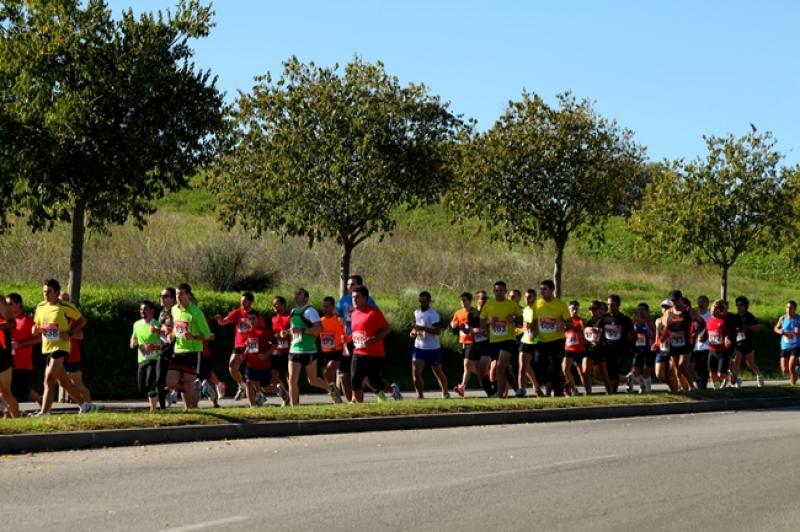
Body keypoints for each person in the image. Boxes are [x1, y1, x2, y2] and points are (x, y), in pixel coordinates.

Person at [32, 279, 94, 415]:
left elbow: (82, 320)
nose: (46, 294)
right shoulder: (40, 307)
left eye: (49, 292)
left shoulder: (66, 307)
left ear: (56, 292)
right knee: (64, 382)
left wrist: (70, 333)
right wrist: (35, 329)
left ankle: (44, 412)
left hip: (61, 347)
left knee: (48, 378)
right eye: (44, 292)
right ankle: (84, 406)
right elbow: (37, 325)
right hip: (47, 347)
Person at [287, 288, 341, 406]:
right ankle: (294, 408)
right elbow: (294, 329)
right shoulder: (292, 311)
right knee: (292, 380)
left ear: (306, 298)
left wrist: (302, 330)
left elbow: (319, 328)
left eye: (299, 294)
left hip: (309, 350)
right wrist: (285, 332)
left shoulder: (310, 311)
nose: (296, 296)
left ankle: (331, 388)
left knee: (313, 380)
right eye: (295, 294)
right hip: (294, 349)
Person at [349, 286, 401, 403]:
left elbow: (387, 329)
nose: (354, 300)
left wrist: (376, 338)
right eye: (353, 297)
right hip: (358, 351)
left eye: (357, 297)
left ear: (365, 298)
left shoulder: (373, 312)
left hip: (374, 353)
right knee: (355, 379)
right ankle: (359, 406)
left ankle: (393, 389)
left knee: (375, 382)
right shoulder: (353, 313)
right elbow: (356, 331)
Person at [213, 292, 265, 401]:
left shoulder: (256, 315)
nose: (242, 303)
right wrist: (219, 319)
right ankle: (242, 385)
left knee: (253, 373)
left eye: (245, 301)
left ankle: (259, 394)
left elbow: (262, 330)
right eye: (241, 301)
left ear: (251, 302)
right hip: (239, 345)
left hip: (252, 345)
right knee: (232, 367)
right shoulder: (237, 312)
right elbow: (223, 322)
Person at [168, 283, 211, 409]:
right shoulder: (174, 309)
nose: (178, 297)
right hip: (178, 350)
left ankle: (190, 409)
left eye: (181, 294)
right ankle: (197, 388)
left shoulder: (196, 312)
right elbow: (177, 328)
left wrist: (193, 337)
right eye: (176, 294)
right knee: (170, 382)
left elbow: (207, 334)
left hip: (193, 351)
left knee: (187, 384)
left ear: (188, 295)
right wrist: (172, 335)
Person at [335, 275, 378, 401]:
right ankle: (352, 402)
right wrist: (340, 319)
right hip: (348, 339)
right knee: (343, 375)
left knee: (362, 376)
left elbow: (375, 316)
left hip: (362, 340)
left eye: (352, 284)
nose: (349, 287)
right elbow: (338, 314)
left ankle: (382, 390)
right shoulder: (343, 300)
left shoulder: (367, 300)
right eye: (348, 284)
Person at [479, 281, 522, 398]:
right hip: (494, 341)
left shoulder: (512, 305)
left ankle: (499, 395)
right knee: (505, 369)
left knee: (500, 368)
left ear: (505, 291)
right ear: (494, 291)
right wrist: (489, 322)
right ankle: (518, 390)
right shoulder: (489, 304)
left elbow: (521, 320)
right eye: (497, 290)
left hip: (508, 340)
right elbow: (481, 322)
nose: (499, 293)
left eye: (501, 290)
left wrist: (513, 318)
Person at [533, 280, 571, 397]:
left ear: (552, 290)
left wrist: (564, 325)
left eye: (545, 289)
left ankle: (558, 392)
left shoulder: (560, 305)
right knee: (538, 365)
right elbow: (534, 321)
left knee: (555, 366)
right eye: (541, 289)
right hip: (542, 341)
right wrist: (533, 330)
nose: (542, 292)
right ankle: (558, 384)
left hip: (557, 341)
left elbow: (570, 323)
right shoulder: (537, 304)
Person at [662, 290, 704, 391]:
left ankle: (692, 387)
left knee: (682, 366)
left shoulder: (689, 311)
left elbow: (703, 323)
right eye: (672, 301)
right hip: (674, 344)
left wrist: (697, 333)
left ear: (681, 299)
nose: (674, 303)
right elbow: (666, 328)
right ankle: (685, 390)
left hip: (687, 343)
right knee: (676, 370)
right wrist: (660, 340)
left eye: (676, 300)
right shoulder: (668, 312)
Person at [5, 293, 42, 406]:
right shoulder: (6, 321)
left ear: (18, 304)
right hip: (7, 363)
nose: (7, 307)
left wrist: (20, 344)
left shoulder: (27, 321)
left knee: (20, 391)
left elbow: (39, 338)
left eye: (10, 304)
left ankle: (42, 401)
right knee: (6, 390)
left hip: (22, 364)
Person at [410, 291, 449, 399]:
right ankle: (420, 396)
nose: (421, 304)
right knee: (416, 373)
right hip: (419, 347)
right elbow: (416, 327)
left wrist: (423, 328)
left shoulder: (433, 314)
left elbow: (437, 331)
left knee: (437, 371)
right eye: (420, 301)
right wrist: (413, 332)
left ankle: (445, 393)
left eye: (424, 301)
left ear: (429, 301)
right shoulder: (417, 312)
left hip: (433, 348)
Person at [58, 292, 92, 406]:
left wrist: (68, 334)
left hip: (73, 354)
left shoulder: (73, 315)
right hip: (57, 352)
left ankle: (88, 404)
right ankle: (45, 408)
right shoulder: (52, 314)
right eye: (63, 299)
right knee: (58, 381)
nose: (65, 301)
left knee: (77, 382)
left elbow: (81, 335)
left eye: (67, 299)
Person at [130, 301, 163, 412]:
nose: (142, 312)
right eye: (141, 310)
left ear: (152, 311)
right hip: (141, 359)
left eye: (145, 309)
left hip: (154, 359)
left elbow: (165, 344)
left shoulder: (157, 325)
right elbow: (134, 338)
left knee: (150, 383)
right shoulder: (136, 324)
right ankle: (163, 390)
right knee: (141, 388)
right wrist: (134, 344)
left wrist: (153, 347)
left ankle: (153, 409)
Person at [600, 294, 633, 394]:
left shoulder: (624, 319)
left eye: (612, 304)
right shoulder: (604, 318)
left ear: (618, 305)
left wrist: (629, 346)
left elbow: (633, 335)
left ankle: (612, 393)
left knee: (613, 373)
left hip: (619, 350)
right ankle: (625, 380)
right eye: (608, 304)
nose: (609, 306)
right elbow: (599, 332)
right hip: (606, 349)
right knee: (604, 372)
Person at [450, 292, 481, 397]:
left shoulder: (475, 312)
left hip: (473, 341)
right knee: (468, 366)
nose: (463, 302)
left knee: (467, 364)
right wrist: (454, 325)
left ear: (470, 301)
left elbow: (478, 327)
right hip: (462, 342)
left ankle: (463, 386)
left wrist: (469, 329)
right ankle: (486, 377)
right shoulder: (458, 312)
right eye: (461, 300)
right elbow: (453, 323)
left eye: (465, 300)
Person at [731, 296, 764, 388]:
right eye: (737, 305)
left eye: (740, 305)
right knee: (736, 361)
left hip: (748, 342)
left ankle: (759, 376)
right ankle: (736, 380)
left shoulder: (749, 316)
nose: (738, 307)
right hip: (738, 343)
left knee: (750, 364)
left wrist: (748, 327)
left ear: (745, 306)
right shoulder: (735, 317)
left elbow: (758, 327)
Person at [584, 301, 612, 394]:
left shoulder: (605, 321)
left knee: (604, 375)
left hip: (600, 351)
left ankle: (610, 393)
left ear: (600, 310)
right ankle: (589, 394)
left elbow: (608, 336)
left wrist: (601, 340)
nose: (593, 311)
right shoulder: (588, 322)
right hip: (589, 350)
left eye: (595, 309)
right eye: (591, 309)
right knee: (586, 372)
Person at [518, 289, 543, 397]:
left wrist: (535, 332)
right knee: (523, 367)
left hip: (538, 342)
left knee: (528, 366)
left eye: (530, 297)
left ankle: (536, 386)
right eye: (526, 297)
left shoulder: (539, 310)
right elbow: (525, 326)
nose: (527, 299)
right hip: (526, 340)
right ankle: (521, 390)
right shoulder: (524, 310)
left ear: (535, 297)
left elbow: (539, 324)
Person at [319, 296, 346, 392]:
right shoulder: (320, 321)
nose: (325, 309)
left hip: (337, 351)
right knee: (328, 376)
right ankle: (335, 393)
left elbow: (346, 332)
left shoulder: (338, 319)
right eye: (324, 306)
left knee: (328, 372)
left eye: (327, 306)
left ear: (332, 307)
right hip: (325, 352)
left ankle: (335, 393)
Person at [627, 303, 655, 393]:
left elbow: (654, 335)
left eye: (643, 310)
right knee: (635, 372)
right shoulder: (634, 321)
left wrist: (648, 331)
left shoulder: (650, 321)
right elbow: (630, 335)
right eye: (639, 310)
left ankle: (648, 390)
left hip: (648, 349)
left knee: (646, 371)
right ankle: (642, 386)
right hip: (638, 349)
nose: (640, 312)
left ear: (647, 311)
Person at [156, 287, 177, 408]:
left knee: (170, 379)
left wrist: (166, 329)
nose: (161, 298)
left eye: (165, 296)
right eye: (160, 295)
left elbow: (179, 329)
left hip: (174, 347)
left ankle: (172, 393)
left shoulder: (176, 312)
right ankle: (163, 406)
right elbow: (161, 331)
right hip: (163, 347)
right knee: (160, 378)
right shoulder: (162, 312)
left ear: (173, 299)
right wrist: (158, 330)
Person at [706, 299, 733, 389]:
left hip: (722, 352)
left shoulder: (723, 320)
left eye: (715, 309)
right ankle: (717, 389)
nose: (713, 311)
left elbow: (728, 333)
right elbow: (708, 333)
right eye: (712, 309)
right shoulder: (709, 321)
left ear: (719, 311)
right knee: (711, 374)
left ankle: (728, 377)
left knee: (721, 374)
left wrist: (727, 339)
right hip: (712, 351)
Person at [0, 300, 20, 418]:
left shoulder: (1, 302)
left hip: (1, 353)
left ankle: (18, 421)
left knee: (5, 392)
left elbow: (12, 323)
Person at [269, 296, 291, 403]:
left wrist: (286, 333)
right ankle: (285, 395)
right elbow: (273, 333)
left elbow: (295, 331)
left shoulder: (289, 317)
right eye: (274, 305)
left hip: (288, 351)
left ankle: (293, 401)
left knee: (290, 378)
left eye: (278, 304)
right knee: (273, 379)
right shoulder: (273, 319)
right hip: (276, 352)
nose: (276, 306)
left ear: (284, 305)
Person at [773, 300, 800, 385]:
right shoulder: (782, 318)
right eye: (787, 307)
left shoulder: (798, 319)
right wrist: (779, 331)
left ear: (794, 309)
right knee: (785, 369)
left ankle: (793, 385)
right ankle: (797, 370)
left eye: (791, 308)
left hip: (796, 346)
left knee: (791, 367)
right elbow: (776, 328)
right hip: (785, 346)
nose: (788, 309)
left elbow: (796, 332)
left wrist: (790, 333)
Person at [564, 300, 586, 396]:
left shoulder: (580, 320)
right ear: (568, 309)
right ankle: (573, 388)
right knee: (565, 369)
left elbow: (585, 333)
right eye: (572, 308)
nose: (574, 310)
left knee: (582, 372)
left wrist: (582, 327)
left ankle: (587, 390)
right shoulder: (566, 320)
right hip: (568, 348)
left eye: (576, 308)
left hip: (579, 349)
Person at [692, 295, 711, 390]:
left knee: (704, 367)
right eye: (699, 301)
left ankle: (702, 386)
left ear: (707, 304)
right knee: (695, 367)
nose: (700, 303)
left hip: (707, 346)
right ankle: (699, 383)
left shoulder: (710, 316)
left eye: (703, 301)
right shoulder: (694, 315)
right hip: (695, 346)